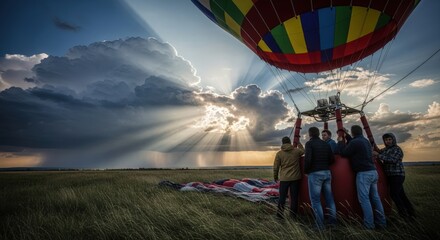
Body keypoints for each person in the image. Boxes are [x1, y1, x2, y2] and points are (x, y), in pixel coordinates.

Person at [337, 125, 386, 229]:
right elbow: (354, 144)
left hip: (364, 174)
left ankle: (369, 225)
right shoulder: (365, 141)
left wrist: (341, 141)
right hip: (373, 172)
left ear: (353, 132)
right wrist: (347, 136)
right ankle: (382, 223)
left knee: (364, 200)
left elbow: (344, 153)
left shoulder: (355, 142)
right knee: (375, 198)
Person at [373, 133, 416, 220]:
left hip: (397, 175)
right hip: (391, 176)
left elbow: (393, 159)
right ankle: (411, 213)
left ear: (393, 139)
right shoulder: (387, 149)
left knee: (394, 194)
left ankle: (403, 214)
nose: (388, 141)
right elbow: (379, 151)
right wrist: (374, 147)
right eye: (386, 140)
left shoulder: (396, 149)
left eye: (389, 139)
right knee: (401, 195)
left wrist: (378, 155)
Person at [305, 127, 337, 229]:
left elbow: (308, 159)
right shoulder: (325, 144)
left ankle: (319, 225)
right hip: (327, 173)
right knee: (329, 199)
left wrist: (306, 171)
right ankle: (333, 222)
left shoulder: (309, 144)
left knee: (316, 201)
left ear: (310, 134)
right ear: (318, 134)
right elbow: (332, 159)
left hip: (315, 174)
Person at [273, 136, 304, 220]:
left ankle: (280, 216)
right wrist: (299, 143)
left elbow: (276, 167)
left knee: (282, 197)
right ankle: (293, 216)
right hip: (295, 178)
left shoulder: (279, 153)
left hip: (284, 179)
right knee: (294, 198)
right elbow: (303, 151)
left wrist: (275, 177)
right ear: (290, 142)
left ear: (282, 143)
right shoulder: (296, 151)